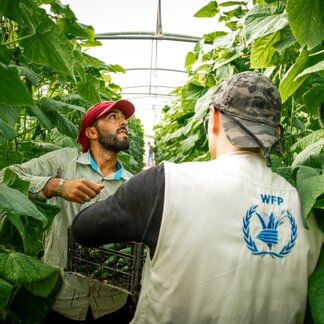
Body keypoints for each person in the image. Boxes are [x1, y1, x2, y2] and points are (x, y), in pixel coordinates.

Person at [71, 72, 324, 324]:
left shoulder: (165, 183)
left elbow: (83, 229)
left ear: (214, 118)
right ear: (275, 132)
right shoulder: (310, 210)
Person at [0, 100, 136, 322]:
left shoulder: (132, 183)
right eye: (113, 117)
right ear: (91, 131)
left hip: (113, 301)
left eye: (124, 118)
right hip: (63, 299)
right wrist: (56, 186)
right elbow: (6, 177)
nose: (123, 122)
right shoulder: (64, 161)